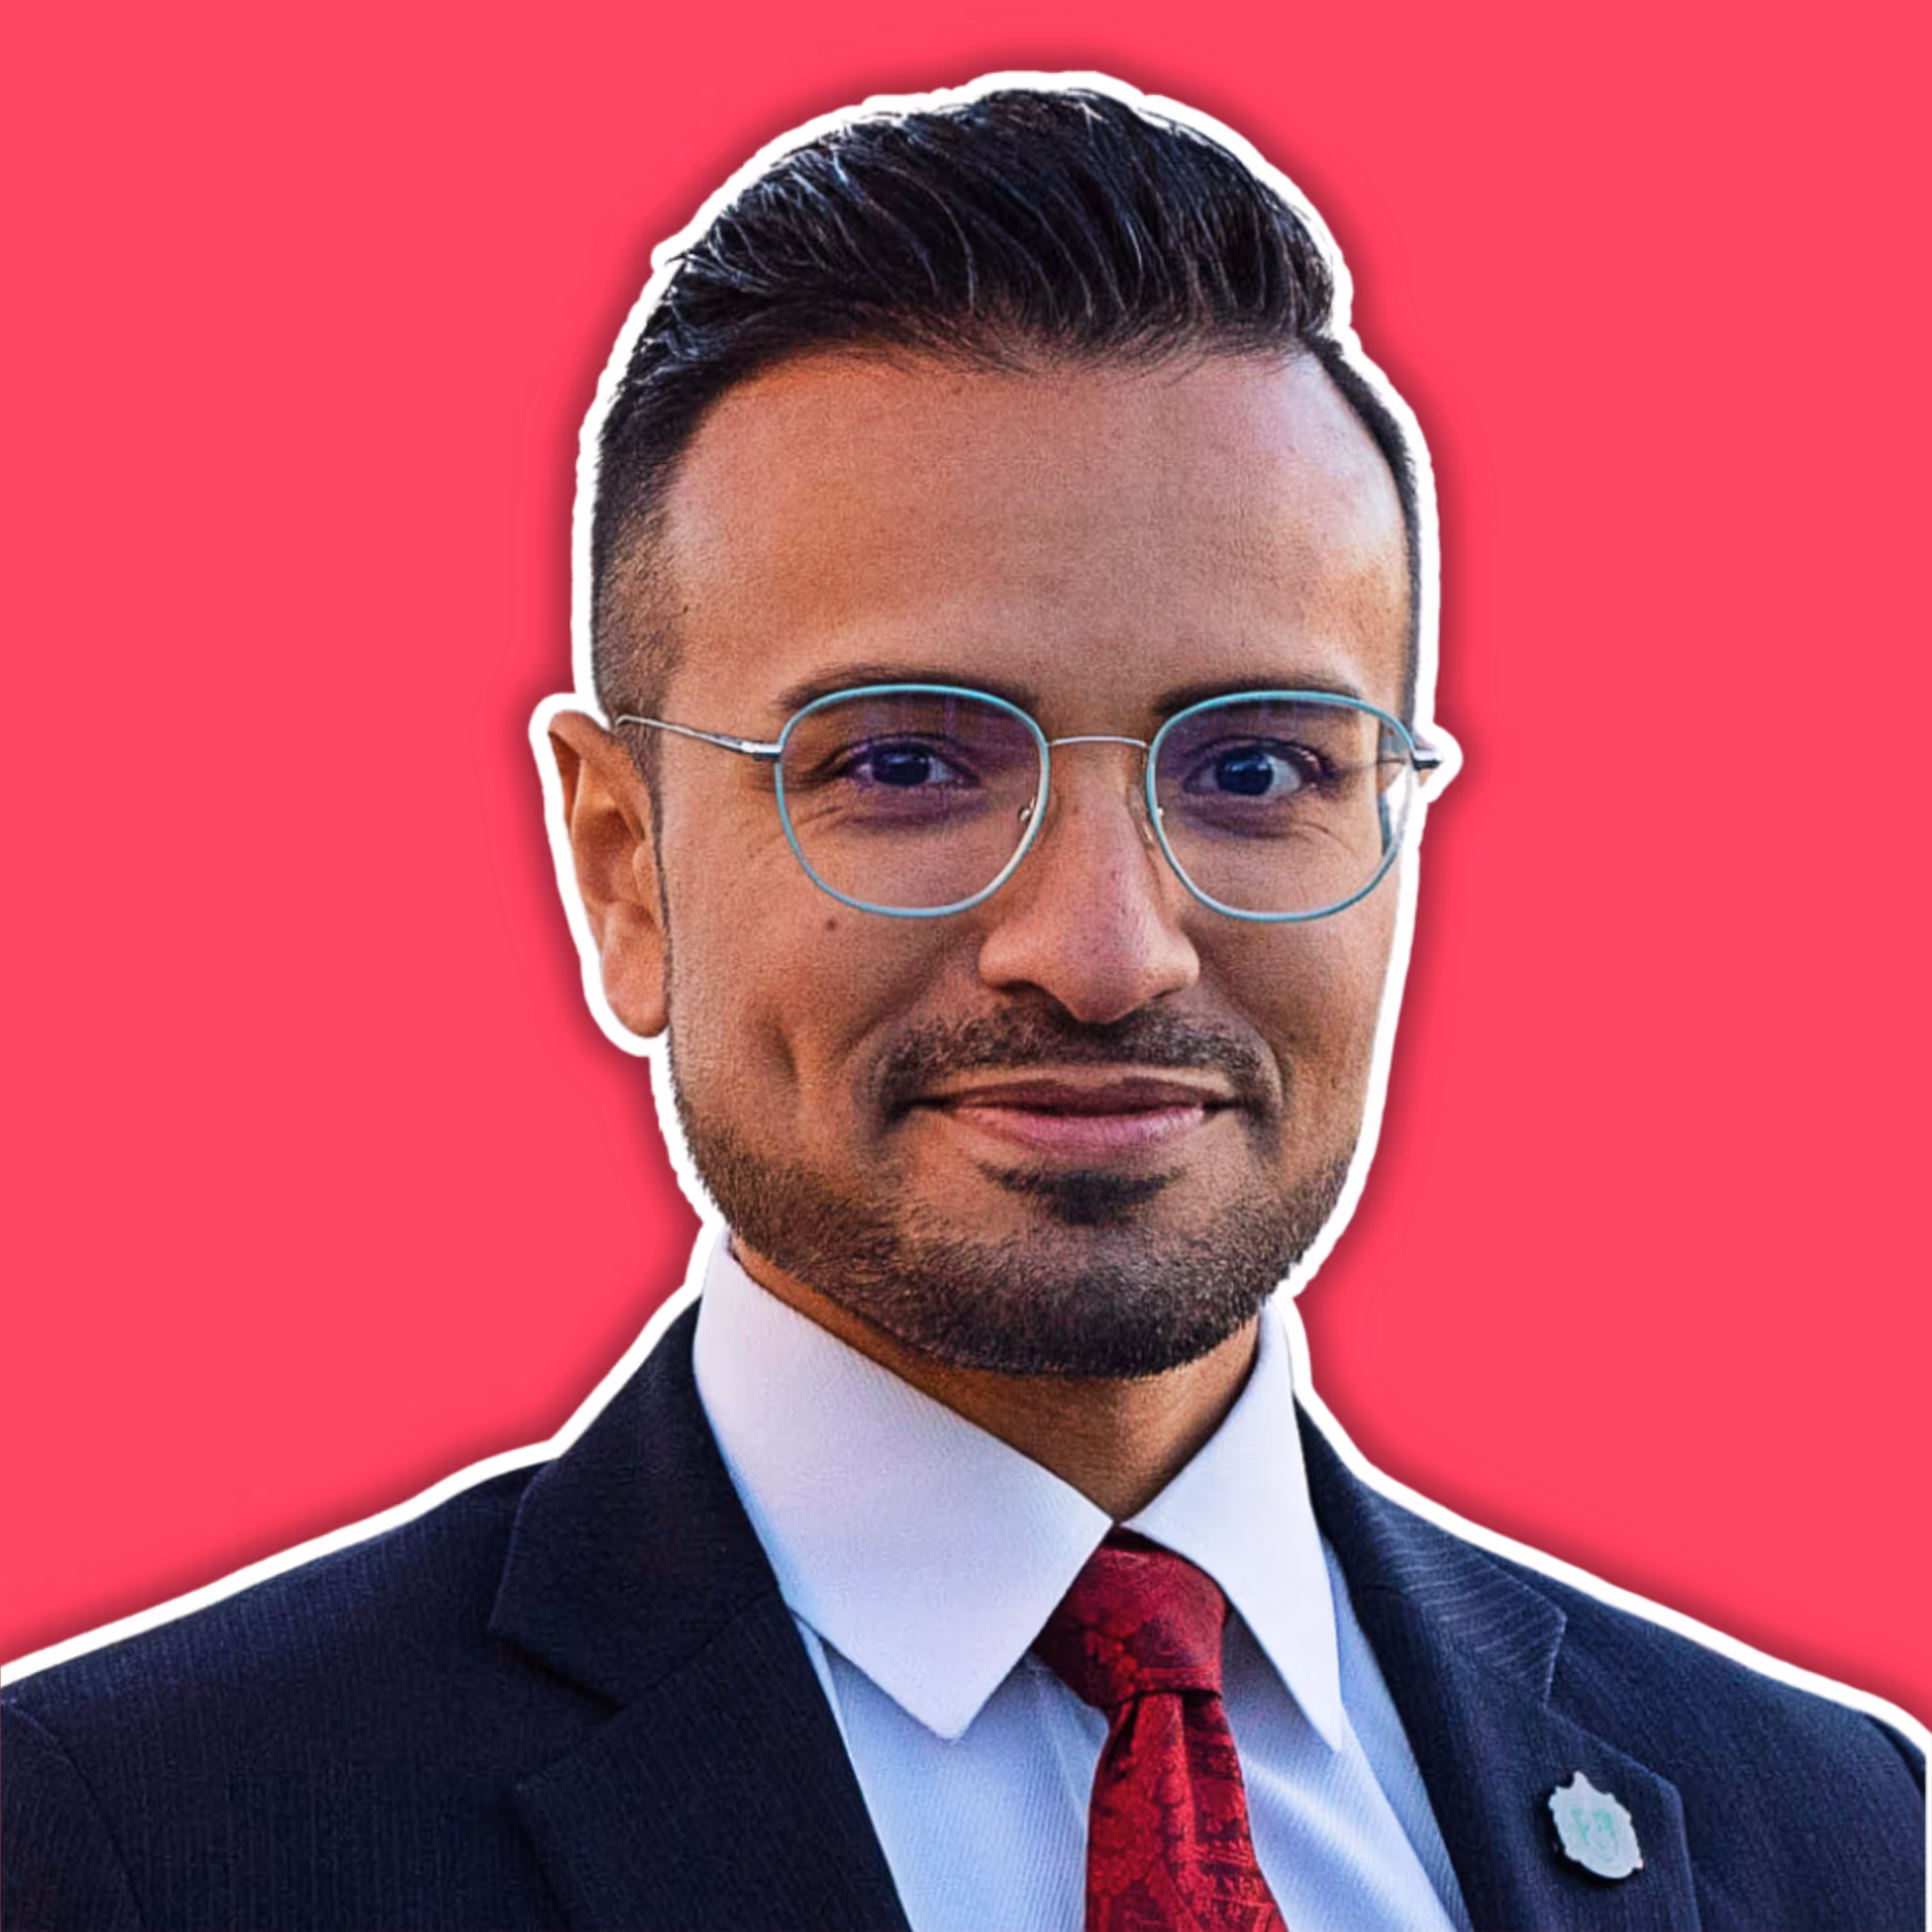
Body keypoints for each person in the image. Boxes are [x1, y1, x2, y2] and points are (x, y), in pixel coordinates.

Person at [3, 77, 1923, 1932]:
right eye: (907, 764)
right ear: (623, 864)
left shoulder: (1839, 1832)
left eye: (1256, 769)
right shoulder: (133, 1845)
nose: (1105, 950)